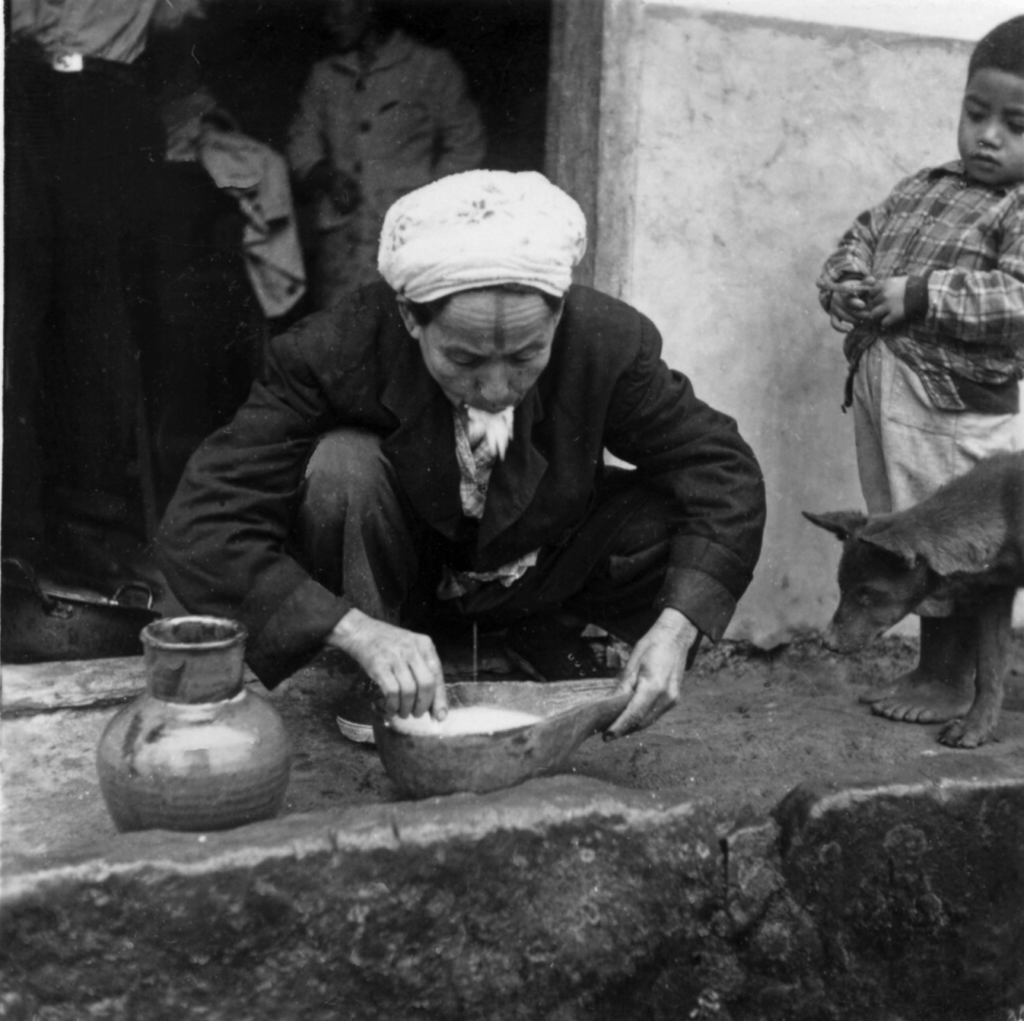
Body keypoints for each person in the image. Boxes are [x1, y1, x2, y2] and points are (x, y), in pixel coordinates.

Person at [157, 170, 766, 739]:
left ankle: (537, 637)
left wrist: (676, 627)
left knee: (669, 513)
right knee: (344, 465)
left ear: (559, 314)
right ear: (409, 317)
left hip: (536, 569)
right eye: (465, 360)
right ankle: (382, 674)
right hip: (400, 586)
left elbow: (720, 469)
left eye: (527, 355)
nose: (498, 390)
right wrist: (358, 631)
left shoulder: (606, 341)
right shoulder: (333, 349)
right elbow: (205, 523)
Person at [817, 15, 1024, 728]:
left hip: (954, 406)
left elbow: (1019, 299)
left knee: (939, 552)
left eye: (1016, 124)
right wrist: (846, 280)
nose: (989, 136)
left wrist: (919, 293)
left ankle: (948, 677)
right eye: (977, 114)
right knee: (897, 537)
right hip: (887, 390)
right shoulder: (923, 185)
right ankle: (939, 667)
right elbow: (862, 237)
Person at [4, 0, 205, 582]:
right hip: (18, 92)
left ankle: (90, 527)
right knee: (15, 312)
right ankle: (16, 530)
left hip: (102, 97)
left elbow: (180, 18)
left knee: (97, 315)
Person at [285, 0, 485, 310]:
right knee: (343, 332)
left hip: (409, 238)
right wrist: (327, 175)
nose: (329, 20)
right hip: (341, 238)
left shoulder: (430, 67)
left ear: (370, 7)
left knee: (402, 329)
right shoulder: (323, 76)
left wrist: (424, 202)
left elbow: (467, 146)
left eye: (338, 8)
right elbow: (301, 142)